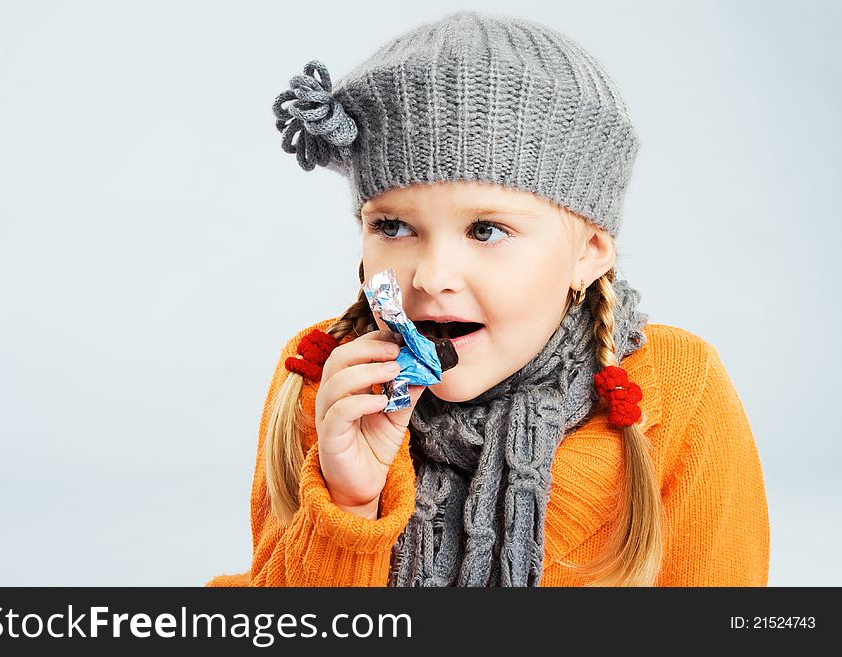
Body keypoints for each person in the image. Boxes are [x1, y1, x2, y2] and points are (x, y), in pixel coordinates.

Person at [206, 9, 769, 587]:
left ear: (591, 250)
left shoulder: (680, 388)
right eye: (393, 227)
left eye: (486, 230)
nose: (430, 277)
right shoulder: (325, 378)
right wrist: (349, 505)